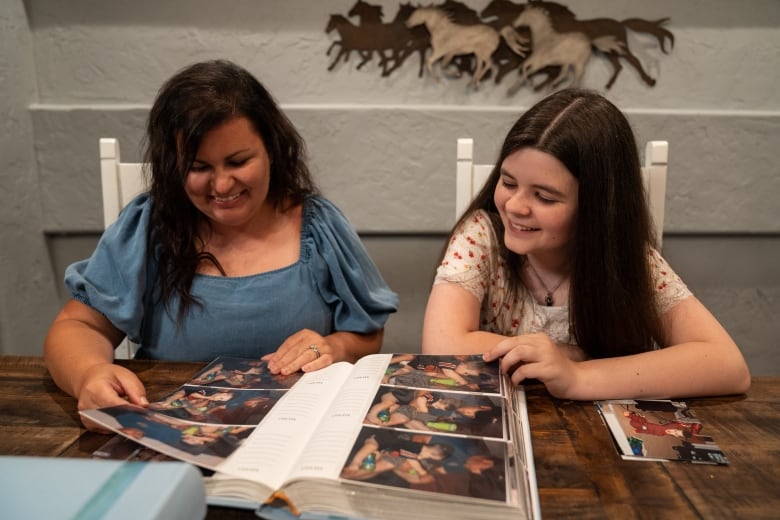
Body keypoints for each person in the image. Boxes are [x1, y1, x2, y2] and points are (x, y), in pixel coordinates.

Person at [44, 59, 398, 429]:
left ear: (272, 151)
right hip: (170, 434)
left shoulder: (319, 227)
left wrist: (337, 347)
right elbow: (78, 326)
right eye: (199, 168)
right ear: (173, 166)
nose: (223, 185)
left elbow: (367, 332)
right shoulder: (149, 229)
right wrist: (89, 375)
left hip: (298, 435)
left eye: (238, 161)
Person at [422, 88, 750, 400]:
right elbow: (441, 345)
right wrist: (567, 354)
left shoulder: (629, 259)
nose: (515, 206)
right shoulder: (481, 237)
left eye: (544, 197)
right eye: (508, 182)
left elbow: (728, 366)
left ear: (596, 207)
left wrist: (577, 376)